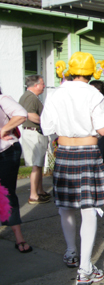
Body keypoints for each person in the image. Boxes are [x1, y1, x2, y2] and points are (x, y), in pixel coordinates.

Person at [41, 52, 104, 285]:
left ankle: (71, 252)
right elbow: (103, 130)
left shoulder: (55, 93)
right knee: (88, 209)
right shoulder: (95, 94)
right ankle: (85, 270)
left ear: (71, 71)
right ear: (92, 71)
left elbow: (46, 127)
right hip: (88, 152)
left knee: (66, 207)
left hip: (64, 151)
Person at [0, 88, 32, 253]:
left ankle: (19, 237)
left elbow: (21, 114)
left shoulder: (2, 99)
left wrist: (4, 129)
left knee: (6, 193)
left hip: (6, 151)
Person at [18, 75, 50, 204]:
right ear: (36, 85)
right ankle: (33, 195)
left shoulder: (31, 96)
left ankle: (40, 190)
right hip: (33, 133)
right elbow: (30, 115)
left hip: (35, 133)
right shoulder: (29, 97)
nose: (44, 86)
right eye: (42, 84)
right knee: (36, 165)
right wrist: (45, 123)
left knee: (39, 164)